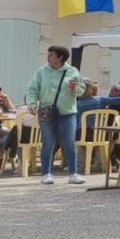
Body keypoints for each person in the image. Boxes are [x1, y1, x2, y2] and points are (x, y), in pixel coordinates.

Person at [24, 45, 84, 185]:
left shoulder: (72, 71)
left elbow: (81, 90)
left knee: (69, 142)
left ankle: (73, 173)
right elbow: (33, 89)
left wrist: (75, 89)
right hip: (47, 111)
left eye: (51, 54)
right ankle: (46, 174)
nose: (48, 57)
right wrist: (32, 103)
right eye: (48, 54)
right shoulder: (42, 72)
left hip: (67, 112)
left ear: (60, 57)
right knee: (48, 142)